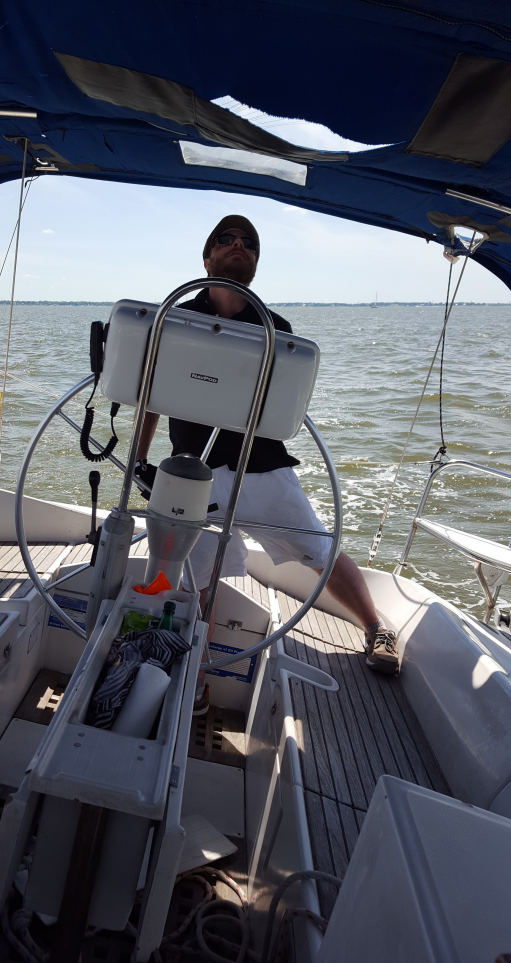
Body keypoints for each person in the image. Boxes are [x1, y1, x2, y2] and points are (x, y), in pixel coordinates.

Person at [136, 214, 398, 713]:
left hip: (263, 467)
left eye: (249, 244)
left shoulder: (277, 331)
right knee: (193, 574)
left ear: (255, 263)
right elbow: (151, 396)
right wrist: (143, 460)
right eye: (226, 240)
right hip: (195, 472)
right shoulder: (176, 320)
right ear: (207, 256)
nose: (239, 246)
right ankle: (196, 671)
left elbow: (286, 414)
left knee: (319, 550)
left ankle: (377, 627)